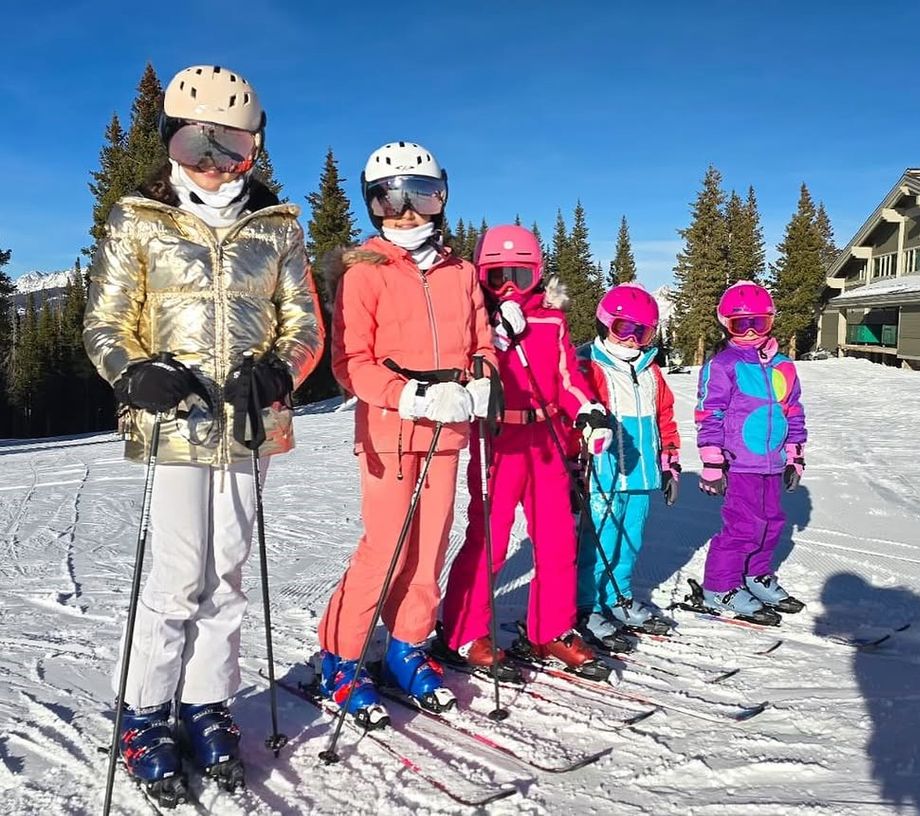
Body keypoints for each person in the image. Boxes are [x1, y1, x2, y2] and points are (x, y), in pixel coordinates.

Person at [83, 64, 323, 796]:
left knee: (227, 572)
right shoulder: (138, 221)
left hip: (250, 425)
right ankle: (145, 711)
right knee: (179, 573)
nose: (216, 169)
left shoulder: (277, 228)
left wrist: (282, 372)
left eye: (233, 150)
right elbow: (104, 322)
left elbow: (305, 324)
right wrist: (132, 372)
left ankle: (205, 701)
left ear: (255, 150)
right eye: (197, 146)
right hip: (175, 425)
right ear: (168, 144)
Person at [316, 142, 496, 725]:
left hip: (447, 429)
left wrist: (484, 379)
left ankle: (406, 645)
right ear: (374, 205)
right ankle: (341, 655)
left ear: (440, 196)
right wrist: (412, 395)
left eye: (421, 194)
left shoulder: (460, 271)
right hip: (391, 429)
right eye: (390, 198)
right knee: (386, 548)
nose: (408, 211)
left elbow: (481, 344)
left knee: (430, 546)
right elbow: (352, 363)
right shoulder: (365, 272)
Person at [436, 225, 614, 680]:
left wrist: (588, 410)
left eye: (521, 275)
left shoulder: (551, 319)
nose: (509, 288)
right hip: (498, 441)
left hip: (547, 441)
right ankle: (463, 630)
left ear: (538, 275)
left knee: (556, 539)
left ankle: (549, 628)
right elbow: (464, 373)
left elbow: (566, 377)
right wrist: (494, 339)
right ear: (482, 277)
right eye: (498, 277)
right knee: (489, 539)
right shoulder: (475, 318)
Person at [574, 284, 681, 651]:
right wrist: (575, 465)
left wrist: (669, 461)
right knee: (599, 540)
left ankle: (618, 597)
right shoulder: (589, 365)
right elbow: (575, 414)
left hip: (643, 474)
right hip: (603, 474)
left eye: (644, 332)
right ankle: (587, 604)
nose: (634, 339)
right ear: (606, 324)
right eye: (625, 329)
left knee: (630, 538)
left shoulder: (651, 371)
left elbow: (664, 416)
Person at [694, 280, 807, 625]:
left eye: (758, 323)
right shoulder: (724, 364)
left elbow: (793, 410)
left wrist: (795, 455)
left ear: (771, 321)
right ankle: (720, 585)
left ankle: (755, 575)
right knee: (743, 526)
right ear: (725, 324)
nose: (749, 333)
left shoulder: (784, 365)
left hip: (772, 461)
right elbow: (709, 412)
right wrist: (712, 459)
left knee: (772, 523)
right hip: (739, 461)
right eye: (739, 325)